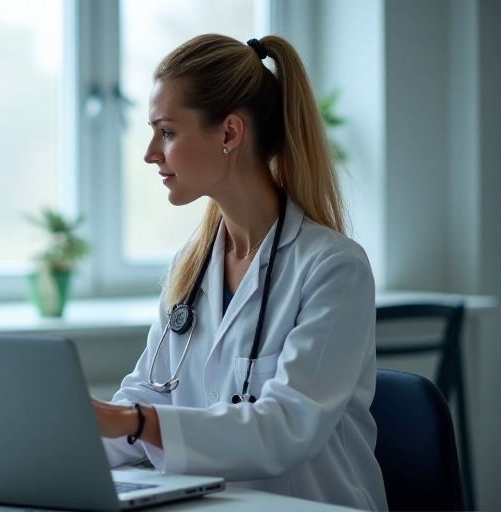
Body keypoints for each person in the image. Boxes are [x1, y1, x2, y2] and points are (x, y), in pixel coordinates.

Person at [91, 35, 387, 511]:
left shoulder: (333, 268)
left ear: (230, 133)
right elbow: (149, 390)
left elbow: (285, 427)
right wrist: (61, 440)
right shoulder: (191, 265)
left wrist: (136, 421)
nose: (150, 152)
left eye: (166, 132)